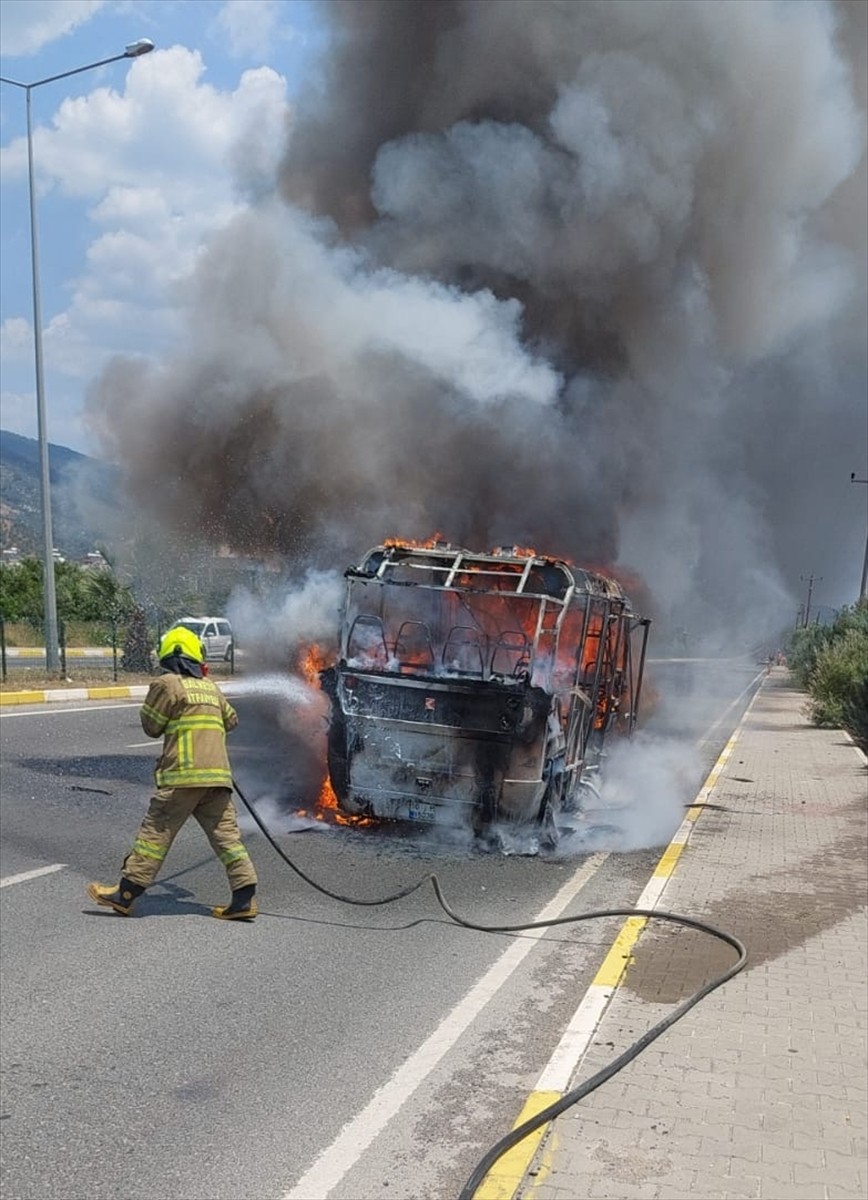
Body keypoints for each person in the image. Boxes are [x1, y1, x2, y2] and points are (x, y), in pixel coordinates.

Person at [86, 625, 258, 920]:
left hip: (182, 778)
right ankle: (244, 897)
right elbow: (232, 721)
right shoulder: (211, 687)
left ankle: (126, 894)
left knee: (154, 835)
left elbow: (151, 726)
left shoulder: (168, 684)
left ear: (169, 656)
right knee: (227, 838)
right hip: (217, 779)